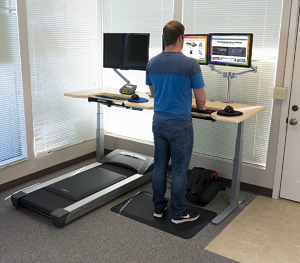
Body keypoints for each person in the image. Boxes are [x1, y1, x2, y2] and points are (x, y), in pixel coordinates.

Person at [145, 20, 207, 224]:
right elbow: (201, 100)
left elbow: (153, 92)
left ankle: (158, 208)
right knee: (179, 171)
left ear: (165, 38)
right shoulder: (190, 64)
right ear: (182, 38)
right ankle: (179, 214)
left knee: (161, 166)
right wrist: (200, 108)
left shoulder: (152, 62)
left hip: (159, 122)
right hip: (180, 125)